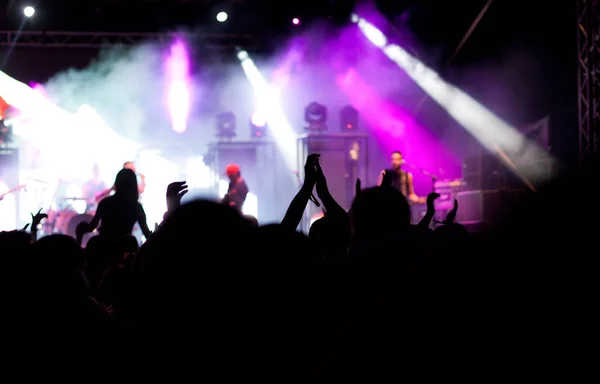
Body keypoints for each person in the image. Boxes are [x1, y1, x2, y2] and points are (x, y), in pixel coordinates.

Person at [78, 168, 152, 241]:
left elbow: (91, 226)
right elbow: (146, 233)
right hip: (125, 248)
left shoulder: (105, 203)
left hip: (104, 247)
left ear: (117, 183)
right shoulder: (137, 207)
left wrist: (80, 230)